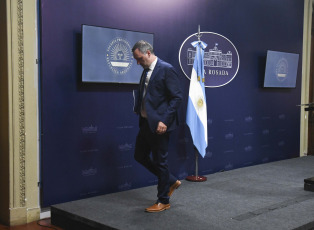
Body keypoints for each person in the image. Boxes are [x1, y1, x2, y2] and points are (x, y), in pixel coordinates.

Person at [132, 40, 183, 213]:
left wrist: (164, 120)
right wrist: (138, 108)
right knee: (139, 155)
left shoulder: (166, 69)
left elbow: (176, 98)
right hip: (146, 123)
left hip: (160, 126)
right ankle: (170, 180)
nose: (138, 63)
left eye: (139, 59)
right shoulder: (146, 70)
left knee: (161, 162)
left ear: (148, 53)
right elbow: (148, 94)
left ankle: (163, 200)